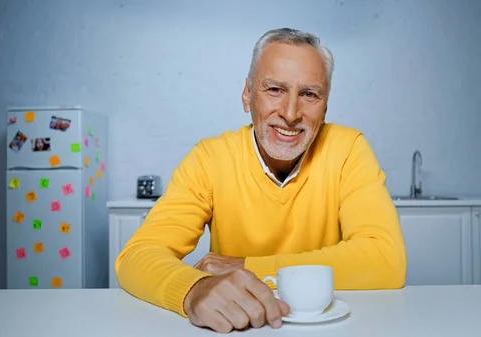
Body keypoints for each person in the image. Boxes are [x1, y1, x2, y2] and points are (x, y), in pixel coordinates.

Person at [115, 27, 407, 333]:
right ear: (247, 95)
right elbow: (137, 256)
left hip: (324, 326)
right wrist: (193, 290)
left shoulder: (347, 148)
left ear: (325, 106)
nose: (291, 113)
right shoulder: (210, 158)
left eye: (309, 94)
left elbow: (386, 260)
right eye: (275, 90)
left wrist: (246, 267)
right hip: (239, 326)